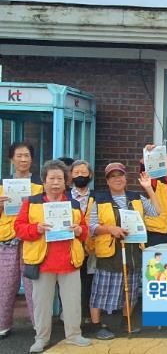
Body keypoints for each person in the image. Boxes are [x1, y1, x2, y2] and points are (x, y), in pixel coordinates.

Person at [14, 160, 91, 352]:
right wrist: (36, 229)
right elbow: (19, 228)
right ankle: (41, 338)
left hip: (69, 260)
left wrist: (79, 230)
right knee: (41, 304)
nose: (56, 182)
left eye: (59, 179)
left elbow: (85, 231)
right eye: (52, 178)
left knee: (73, 302)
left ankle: (74, 335)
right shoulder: (31, 202)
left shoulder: (73, 204)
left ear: (66, 182)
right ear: (44, 181)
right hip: (42, 262)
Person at [88, 162, 164, 340]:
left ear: (125, 178)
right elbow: (91, 226)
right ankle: (96, 325)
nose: (117, 179)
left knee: (129, 290)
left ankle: (125, 321)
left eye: (120, 175)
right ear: (107, 180)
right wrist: (110, 229)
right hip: (110, 252)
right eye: (113, 176)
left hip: (132, 251)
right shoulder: (99, 199)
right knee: (101, 290)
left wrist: (148, 188)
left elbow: (156, 211)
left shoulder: (136, 197)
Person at [0, 142, 43, 339]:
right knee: (5, 283)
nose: (23, 159)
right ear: (11, 159)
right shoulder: (2, 184)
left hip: (31, 239)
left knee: (33, 284)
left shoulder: (39, 185)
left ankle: (38, 325)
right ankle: (3, 324)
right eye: (19, 156)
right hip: (6, 239)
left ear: (32, 159)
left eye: (26, 155)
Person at [67, 160, 96, 324]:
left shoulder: (97, 196)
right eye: (76, 172)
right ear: (70, 175)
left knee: (88, 282)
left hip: (91, 247)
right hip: (70, 246)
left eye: (83, 172)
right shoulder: (64, 196)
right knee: (69, 283)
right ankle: (68, 316)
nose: (80, 175)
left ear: (90, 175)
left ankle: (86, 315)